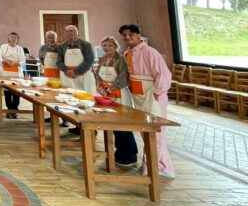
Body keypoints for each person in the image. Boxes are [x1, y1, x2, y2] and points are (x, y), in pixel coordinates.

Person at [119, 24, 175, 178]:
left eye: (130, 35)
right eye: (124, 35)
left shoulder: (150, 52)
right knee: (144, 130)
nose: (127, 38)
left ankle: (152, 166)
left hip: (152, 94)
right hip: (138, 96)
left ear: (138, 35)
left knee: (155, 130)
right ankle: (161, 165)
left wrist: (157, 91)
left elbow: (163, 74)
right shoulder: (127, 53)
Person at [95, 36, 138, 167]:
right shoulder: (102, 60)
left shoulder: (120, 60)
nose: (107, 48)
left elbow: (123, 76)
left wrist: (110, 88)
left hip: (119, 94)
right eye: (105, 46)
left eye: (110, 46)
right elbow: (97, 75)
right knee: (113, 124)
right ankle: (119, 151)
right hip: (107, 94)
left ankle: (130, 155)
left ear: (115, 47)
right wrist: (100, 87)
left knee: (123, 124)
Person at [57, 25, 96, 135]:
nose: (71, 33)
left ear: (77, 33)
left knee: (86, 102)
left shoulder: (86, 45)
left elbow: (89, 60)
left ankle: (90, 129)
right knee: (71, 101)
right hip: (68, 77)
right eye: (69, 32)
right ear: (65, 34)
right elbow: (59, 62)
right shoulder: (61, 47)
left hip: (84, 77)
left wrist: (77, 71)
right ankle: (77, 125)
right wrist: (66, 70)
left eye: (73, 31)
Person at [0, 32, 27, 119]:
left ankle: (15, 110)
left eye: (15, 37)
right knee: (7, 92)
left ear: (17, 39)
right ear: (8, 38)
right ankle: (9, 109)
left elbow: (23, 60)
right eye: (12, 37)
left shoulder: (20, 48)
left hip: (17, 73)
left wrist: (16, 62)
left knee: (16, 92)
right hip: (5, 73)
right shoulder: (3, 47)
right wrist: (4, 61)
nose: (13, 39)